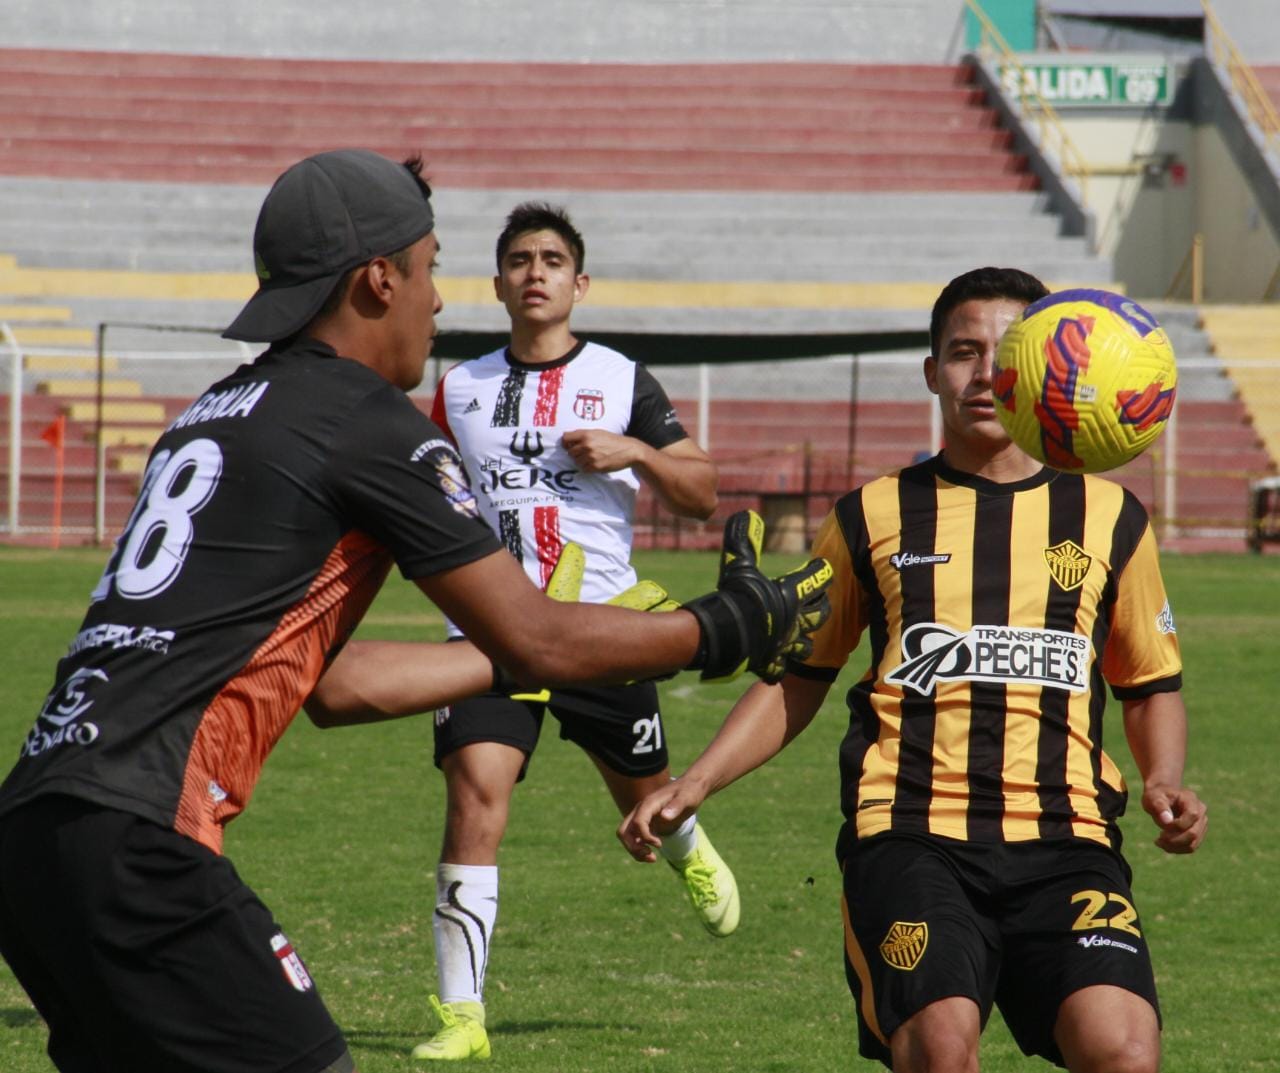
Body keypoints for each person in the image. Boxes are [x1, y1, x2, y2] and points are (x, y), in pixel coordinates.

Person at [0, 148, 831, 1073]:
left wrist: (508, 663)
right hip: (145, 834)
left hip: (36, 833)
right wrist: (727, 627)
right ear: (377, 279)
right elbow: (543, 637)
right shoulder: (364, 419)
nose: (438, 300)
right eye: (431, 268)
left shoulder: (213, 409)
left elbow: (334, 686)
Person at [619, 267, 1208, 1073]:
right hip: (910, 832)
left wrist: (1164, 778)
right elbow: (798, 676)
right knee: (938, 1045)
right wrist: (697, 782)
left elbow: (1148, 682)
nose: (983, 373)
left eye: (1004, 353)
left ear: (1042, 368)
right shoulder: (869, 515)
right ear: (932, 371)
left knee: (1125, 1048)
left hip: (1068, 839)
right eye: (962, 353)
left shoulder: (1110, 517)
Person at [410, 202, 737, 1062]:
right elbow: (415, 491)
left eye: (553, 259)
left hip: (600, 627)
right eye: (519, 259)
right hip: (484, 632)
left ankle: (688, 843)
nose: (536, 272)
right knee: (476, 795)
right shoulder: (458, 386)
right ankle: (462, 1017)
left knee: (645, 799)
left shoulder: (625, 378)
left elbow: (702, 490)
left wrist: (640, 452)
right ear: (497, 283)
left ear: (579, 283)